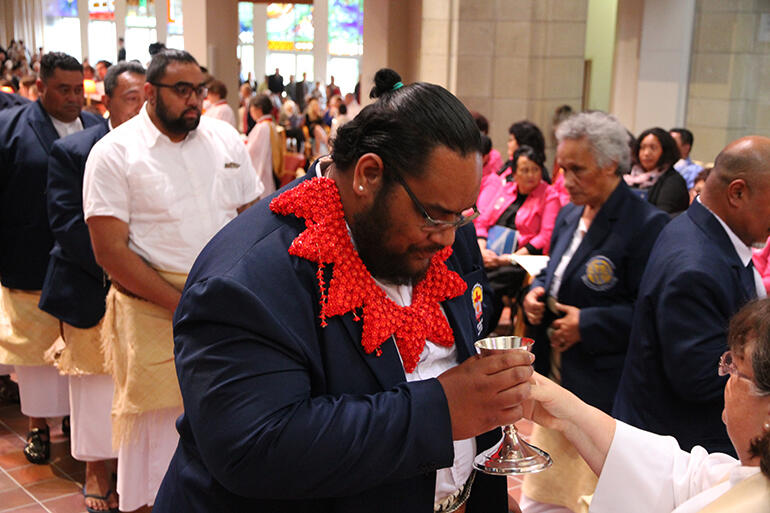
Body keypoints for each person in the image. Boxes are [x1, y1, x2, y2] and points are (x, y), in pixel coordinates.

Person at [153, 68, 535, 513]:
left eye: (460, 217)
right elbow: (253, 448)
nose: (449, 239)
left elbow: (469, 349)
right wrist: (440, 411)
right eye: (434, 217)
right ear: (369, 175)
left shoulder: (442, 227)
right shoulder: (244, 281)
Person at [82, 49, 262, 512]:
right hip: (152, 305)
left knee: (225, 417)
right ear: (149, 93)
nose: (194, 101)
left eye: (199, 90)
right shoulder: (114, 152)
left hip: (224, 300)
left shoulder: (224, 139)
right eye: (182, 91)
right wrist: (181, 303)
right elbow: (110, 250)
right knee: (156, 436)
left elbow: (249, 219)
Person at [519, 111, 668, 513]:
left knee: (589, 494)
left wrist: (589, 323)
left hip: (603, 383)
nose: (565, 179)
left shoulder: (645, 224)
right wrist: (536, 291)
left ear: (610, 164)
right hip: (560, 370)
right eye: (563, 167)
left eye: (577, 169)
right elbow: (556, 268)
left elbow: (649, 312)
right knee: (545, 493)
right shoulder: (570, 213)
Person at [524, 297, 770, 513]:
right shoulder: (753, 477)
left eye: (736, 368)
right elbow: (679, 478)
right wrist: (569, 412)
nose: (725, 374)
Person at [614, 136, 770, 457]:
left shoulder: (702, 230)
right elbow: (699, 378)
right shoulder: (695, 267)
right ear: (737, 192)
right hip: (678, 448)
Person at [39, 60, 146, 513]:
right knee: (96, 387)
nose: (142, 107)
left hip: (145, 287)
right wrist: (123, 266)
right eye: (132, 98)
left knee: (137, 382)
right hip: (90, 282)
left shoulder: (158, 150)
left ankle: (134, 467)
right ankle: (96, 467)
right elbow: (67, 225)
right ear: (107, 101)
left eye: (148, 98)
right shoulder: (76, 150)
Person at [0, 51, 103, 466]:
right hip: (30, 253)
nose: (74, 98)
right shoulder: (11, 129)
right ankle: (38, 426)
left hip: (82, 257)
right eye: (63, 89)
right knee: (36, 354)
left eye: (79, 89)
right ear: (40, 87)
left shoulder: (96, 126)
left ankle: (73, 420)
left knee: (77, 347)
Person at [474, 145, 560, 329]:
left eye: (535, 169)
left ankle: (481, 329)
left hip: (522, 261)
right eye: (525, 170)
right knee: (470, 273)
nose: (530, 175)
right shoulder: (506, 190)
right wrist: (482, 250)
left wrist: (510, 258)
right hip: (490, 254)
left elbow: (545, 237)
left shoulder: (549, 195)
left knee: (489, 283)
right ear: (514, 172)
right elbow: (483, 223)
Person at [478, 120, 547, 216]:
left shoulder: (538, 176)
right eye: (525, 170)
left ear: (522, 144)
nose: (508, 144)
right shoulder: (509, 165)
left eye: (511, 140)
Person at [624, 127, 689, 215]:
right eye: (642, 148)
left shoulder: (673, 181)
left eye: (653, 148)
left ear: (665, 151)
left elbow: (662, 216)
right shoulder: (629, 176)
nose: (646, 153)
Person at [246, 93, 276, 197]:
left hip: (263, 168)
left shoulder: (262, 127)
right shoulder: (270, 124)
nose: (250, 112)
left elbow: (252, 150)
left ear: (258, 109)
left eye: (251, 109)